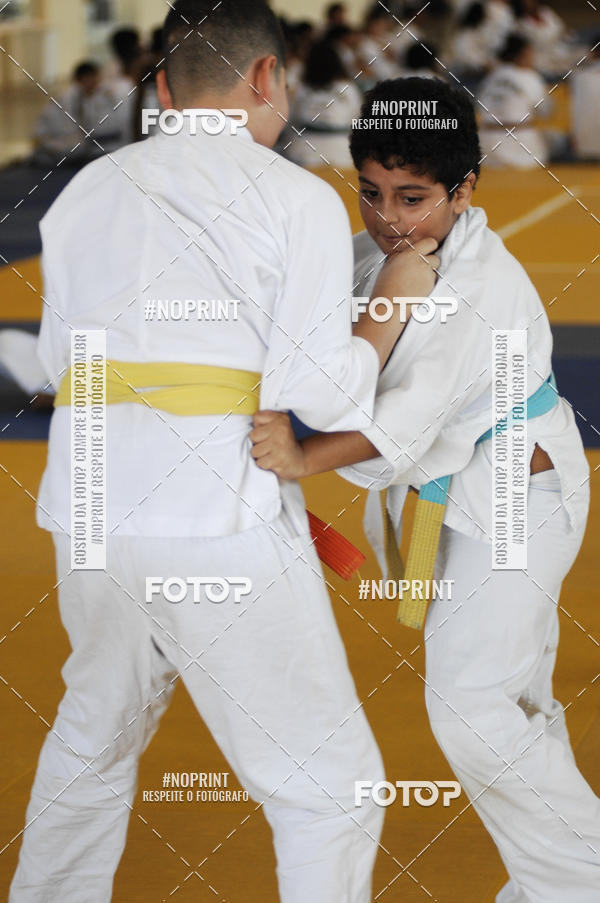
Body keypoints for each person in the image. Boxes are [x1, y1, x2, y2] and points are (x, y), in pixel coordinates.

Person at [9, 3, 440, 901]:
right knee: (331, 790)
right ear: (268, 80)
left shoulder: (88, 188)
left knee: (91, 740)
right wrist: (395, 292)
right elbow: (318, 392)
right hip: (216, 515)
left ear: (161, 89)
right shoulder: (291, 197)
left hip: (90, 509)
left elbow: (54, 364)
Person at [250, 76, 600, 903]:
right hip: (464, 498)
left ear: (464, 190)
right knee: (509, 700)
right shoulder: (383, 258)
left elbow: (399, 424)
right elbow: (321, 364)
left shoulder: (479, 285)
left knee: (469, 704)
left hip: (518, 498)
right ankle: (554, 879)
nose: (388, 217)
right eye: (371, 193)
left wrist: (300, 459)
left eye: (413, 197)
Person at [286, 38, 363, 168]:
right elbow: (357, 119)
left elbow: (290, 119)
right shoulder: (348, 88)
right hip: (341, 152)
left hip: (304, 150)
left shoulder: (301, 88)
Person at [478, 33, 549, 168]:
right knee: (556, 140)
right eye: (531, 53)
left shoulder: (490, 77)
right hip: (519, 149)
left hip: (486, 148)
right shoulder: (530, 77)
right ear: (522, 55)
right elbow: (545, 112)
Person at [32, 61, 123, 164]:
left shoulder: (91, 95)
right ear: (84, 78)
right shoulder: (67, 97)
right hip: (57, 143)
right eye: (94, 78)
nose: (97, 82)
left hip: (72, 143)